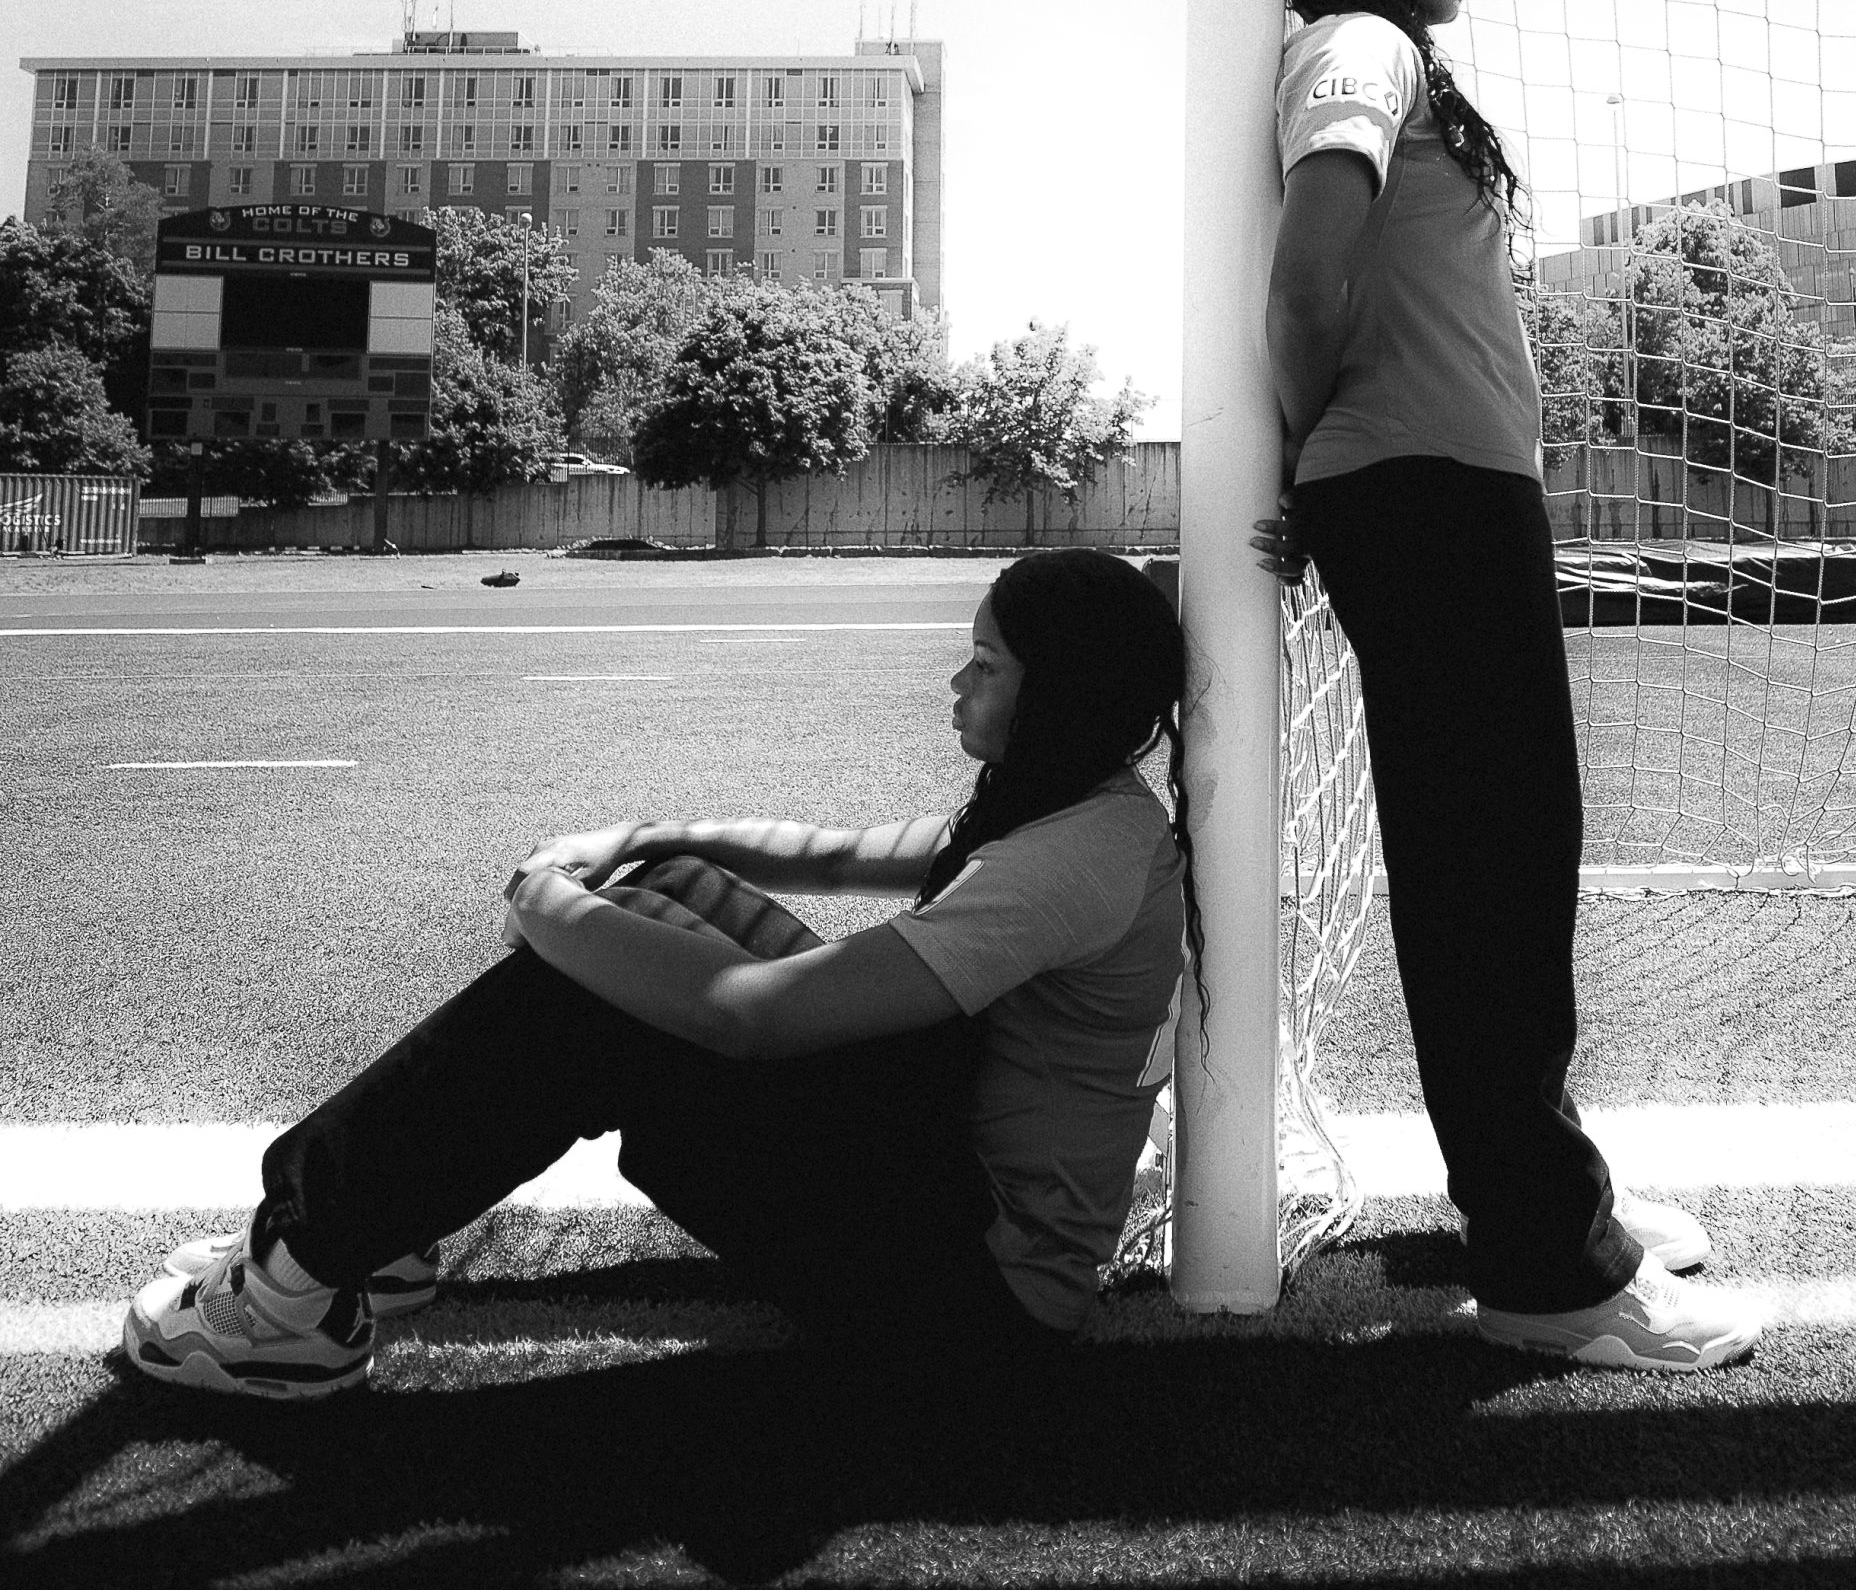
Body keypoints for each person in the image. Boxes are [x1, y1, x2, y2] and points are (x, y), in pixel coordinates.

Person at [123, 549, 1196, 1399]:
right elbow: (832, 857)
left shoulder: (1071, 860)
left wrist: (543, 902)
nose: (956, 683)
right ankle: (378, 1222)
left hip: (973, 1308)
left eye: (986, 664)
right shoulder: (1077, 804)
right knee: (669, 888)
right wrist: (638, 839)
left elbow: (749, 1017)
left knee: (593, 1002)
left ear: (1059, 690)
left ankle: (290, 1295)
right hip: (943, 1196)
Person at [1252, 0, 1761, 1373]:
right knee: (1488, 874)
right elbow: (1307, 282)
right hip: (1416, 494)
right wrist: (1312, 455)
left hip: (1445, 495)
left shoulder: (1397, 61)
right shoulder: (1354, 43)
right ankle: (1549, 1264)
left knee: (1505, 869)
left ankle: (1543, 1196)